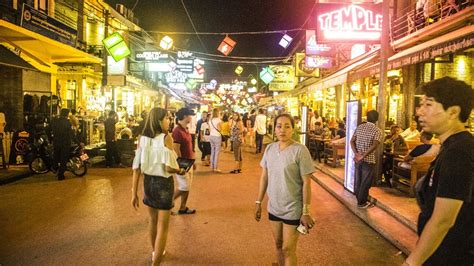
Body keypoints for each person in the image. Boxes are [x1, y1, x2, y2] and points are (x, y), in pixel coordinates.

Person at [404, 77, 473, 266]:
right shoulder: (450, 147)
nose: (419, 112)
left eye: (428, 104)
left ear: (453, 112)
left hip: (451, 257)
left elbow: (443, 220)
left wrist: (412, 262)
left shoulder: (459, 152)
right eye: (421, 104)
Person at [255, 113, 316, 265]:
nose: (282, 130)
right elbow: (264, 177)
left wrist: (306, 211)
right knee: (278, 244)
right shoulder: (269, 149)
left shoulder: (300, 150)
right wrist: (258, 202)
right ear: (274, 129)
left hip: (293, 208)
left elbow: (307, 182)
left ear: (293, 130)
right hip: (274, 207)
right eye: (279, 126)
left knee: (288, 249)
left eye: (287, 126)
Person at [131, 107, 184, 265]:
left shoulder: (142, 139)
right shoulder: (165, 138)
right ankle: (156, 262)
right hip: (163, 184)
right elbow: (168, 168)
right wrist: (179, 170)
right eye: (166, 118)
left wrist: (133, 192)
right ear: (159, 121)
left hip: (148, 183)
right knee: (163, 226)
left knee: (152, 221)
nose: (169, 121)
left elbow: (136, 168)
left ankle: (155, 252)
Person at [350, 110, 383, 208]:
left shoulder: (359, 127)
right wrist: (363, 155)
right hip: (369, 160)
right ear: (377, 119)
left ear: (367, 118)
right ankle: (362, 202)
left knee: (358, 180)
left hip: (358, 159)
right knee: (365, 181)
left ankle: (359, 199)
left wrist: (356, 154)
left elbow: (352, 141)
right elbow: (375, 145)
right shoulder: (377, 131)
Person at [172, 107, 197, 215]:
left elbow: (189, 146)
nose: (191, 117)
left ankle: (183, 207)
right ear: (185, 116)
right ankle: (167, 204)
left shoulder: (185, 129)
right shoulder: (177, 131)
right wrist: (181, 165)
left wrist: (193, 161)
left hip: (189, 162)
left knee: (187, 186)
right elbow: (176, 149)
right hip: (183, 164)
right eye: (189, 115)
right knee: (184, 187)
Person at [51, 108, 72, 181]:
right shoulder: (67, 122)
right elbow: (70, 133)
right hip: (65, 142)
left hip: (57, 142)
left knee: (56, 156)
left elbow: (52, 130)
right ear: (66, 114)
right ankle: (61, 174)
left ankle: (55, 168)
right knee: (63, 159)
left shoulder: (55, 121)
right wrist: (77, 141)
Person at [209, 108, 222, 172]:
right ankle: (215, 168)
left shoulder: (210, 120)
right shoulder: (218, 120)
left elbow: (209, 128)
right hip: (217, 136)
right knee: (217, 152)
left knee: (212, 152)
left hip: (211, 136)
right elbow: (219, 129)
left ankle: (212, 166)